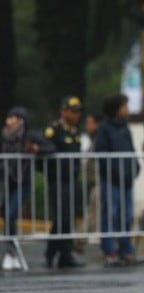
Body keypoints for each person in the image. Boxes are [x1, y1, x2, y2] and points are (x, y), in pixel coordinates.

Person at [1, 106, 54, 271]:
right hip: (8, 182)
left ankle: (11, 252)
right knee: (8, 216)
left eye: (13, 117)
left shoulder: (29, 136)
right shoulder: (6, 137)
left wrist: (36, 149)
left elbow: (51, 148)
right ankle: (12, 253)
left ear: (20, 120)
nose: (8, 121)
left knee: (10, 214)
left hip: (23, 181)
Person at [94, 94, 141, 266]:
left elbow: (130, 149)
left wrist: (135, 167)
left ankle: (125, 250)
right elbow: (101, 152)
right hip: (112, 181)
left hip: (126, 180)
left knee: (126, 216)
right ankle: (109, 251)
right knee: (110, 215)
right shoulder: (105, 128)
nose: (127, 110)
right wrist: (115, 170)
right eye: (124, 106)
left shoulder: (124, 127)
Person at [43, 96, 85, 268]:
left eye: (78, 112)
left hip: (72, 180)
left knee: (68, 218)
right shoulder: (53, 131)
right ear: (63, 111)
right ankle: (54, 253)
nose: (76, 115)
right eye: (73, 111)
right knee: (61, 218)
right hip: (58, 180)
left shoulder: (74, 132)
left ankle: (64, 255)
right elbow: (45, 156)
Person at [74, 113, 102, 254]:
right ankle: (79, 240)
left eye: (89, 123)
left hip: (101, 182)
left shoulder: (99, 139)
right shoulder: (95, 140)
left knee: (95, 214)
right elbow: (89, 164)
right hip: (99, 183)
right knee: (93, 214)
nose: (87, 126)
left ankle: (79, 240)